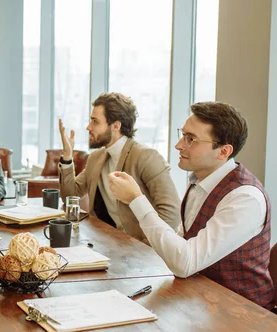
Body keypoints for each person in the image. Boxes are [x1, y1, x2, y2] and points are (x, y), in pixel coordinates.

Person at [109, 101, 275, 310]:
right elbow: (181, 245)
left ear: (223, 151)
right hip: (199, 302)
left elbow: (185, 263)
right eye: (183, 135)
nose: (179, 145)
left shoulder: (245, 197)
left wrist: (136, 200)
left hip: (244, 314)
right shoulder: (198, 182)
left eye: (191, 139)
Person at [58, 92, 180, 242]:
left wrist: (145, 249)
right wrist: (67, 157)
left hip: (139, 251)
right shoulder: (96, 157)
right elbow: (71, 196)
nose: (88, 127)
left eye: (95, 121)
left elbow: (172, 214)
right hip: (104, 242)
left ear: (116, 126)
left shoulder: (146, 157)